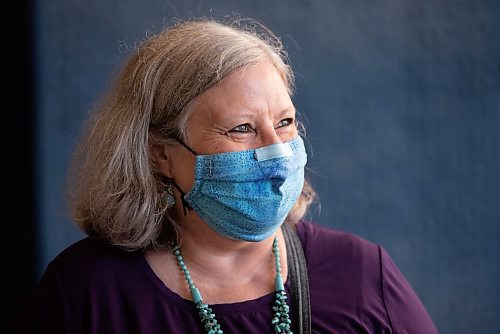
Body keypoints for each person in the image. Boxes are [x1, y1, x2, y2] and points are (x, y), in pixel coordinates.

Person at [12, 18, 439, 333]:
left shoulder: (363, 275)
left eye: (286, 122)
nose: (277, 152)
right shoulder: (87, 293)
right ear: (160, 154)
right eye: (241, 128)